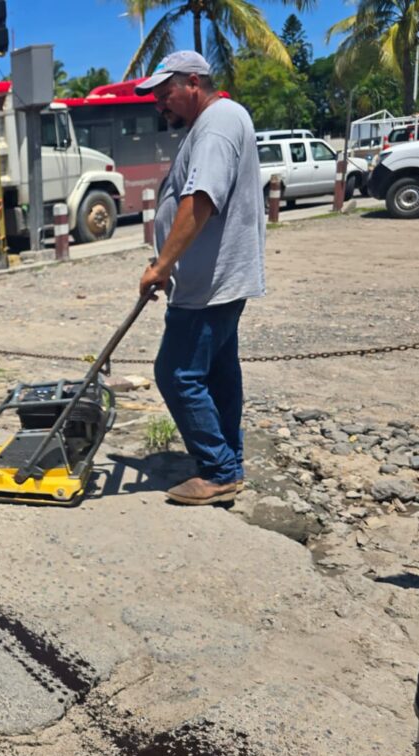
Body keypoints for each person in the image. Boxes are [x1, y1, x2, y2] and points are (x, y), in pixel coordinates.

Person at [135, 50, 265, 506]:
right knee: (219, 374)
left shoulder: (216, 124)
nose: (160, 104)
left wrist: (162, 265)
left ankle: (218, 470)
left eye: (165, 93)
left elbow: (201, 199)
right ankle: (229, 463)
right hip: (215, 279)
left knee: (176, 373)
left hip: (210, 283)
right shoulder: (217, 122)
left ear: (193, 82)